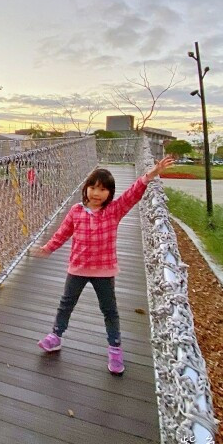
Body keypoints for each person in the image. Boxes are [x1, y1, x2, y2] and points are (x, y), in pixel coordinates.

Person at [33, 156, 175, 374]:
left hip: (104, 271)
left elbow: (133, 194)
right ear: (86, 188)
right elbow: (62, 233)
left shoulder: (113, 211)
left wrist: (152, 174)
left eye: (102, 189)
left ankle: (115, 349)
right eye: (93, 187)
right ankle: (56, 336)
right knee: (66, 304)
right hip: (77, 268)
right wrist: (48, 248)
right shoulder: (76, 211)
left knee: (109, 310)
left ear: (110, 193)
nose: (96, 193)